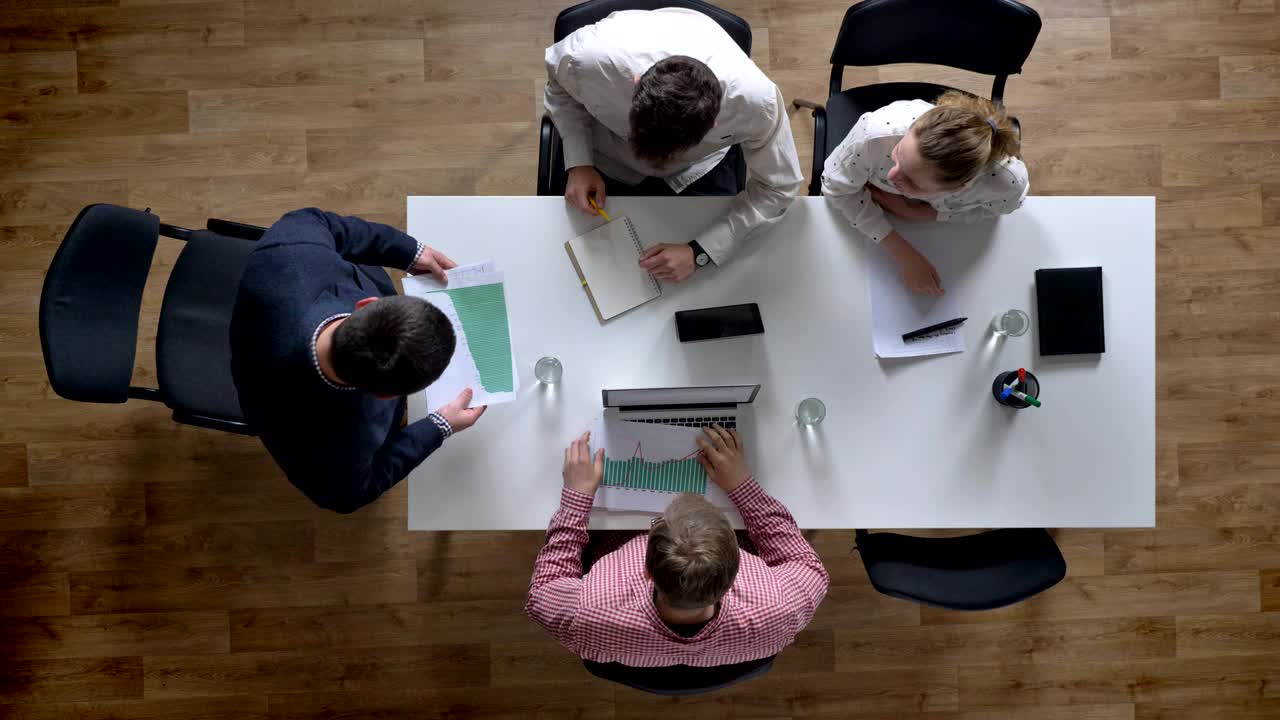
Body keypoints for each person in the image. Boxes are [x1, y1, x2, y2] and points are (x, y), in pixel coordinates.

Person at [230, 208, 487, 514]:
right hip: (262, 378)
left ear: (368, 303)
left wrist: (409, 251)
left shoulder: (291, 255)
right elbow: (345, 497)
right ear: (387, 396)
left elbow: (318, 221)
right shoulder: (345, 438)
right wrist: (439, 426)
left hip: (261, 322)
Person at [525, 426, 828, 667]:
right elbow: (805, 563)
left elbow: (545, 590)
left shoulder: (586, 614)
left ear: (644, 569)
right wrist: (742, 487)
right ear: (739, 567)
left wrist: (576, 498)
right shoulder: (783, 609)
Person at [545, 7, 803, 284]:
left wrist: (700, 251)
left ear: (715, 123)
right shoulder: (589, 60)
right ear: (635, 83)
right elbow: (558, 86)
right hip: (606, 158)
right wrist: (579, 162)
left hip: (698, 170)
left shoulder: (755, 103)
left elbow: (780, 186)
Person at [821, 91, 1029, 296]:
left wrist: (923, 214)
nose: (892, 175)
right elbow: (834, 186)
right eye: (898, 154)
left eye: (912, 181)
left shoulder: (1006, 185)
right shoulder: (876, 135)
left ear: (958, 188)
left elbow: (998, 209)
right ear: (912, 129)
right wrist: (904, 254)